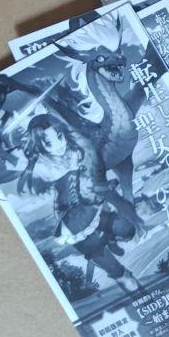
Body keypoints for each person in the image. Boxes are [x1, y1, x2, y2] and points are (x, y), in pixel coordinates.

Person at [19, 115, 144, 296]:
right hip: (72, 219)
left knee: (127, 229)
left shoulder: (74, 152)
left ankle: (110, 239)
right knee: (112, 266)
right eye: (49, 143)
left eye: (59, 137)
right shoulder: (43, 167)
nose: (58, 145)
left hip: (90, 205)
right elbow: (25, 178)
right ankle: (132, 286)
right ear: (39, 146)